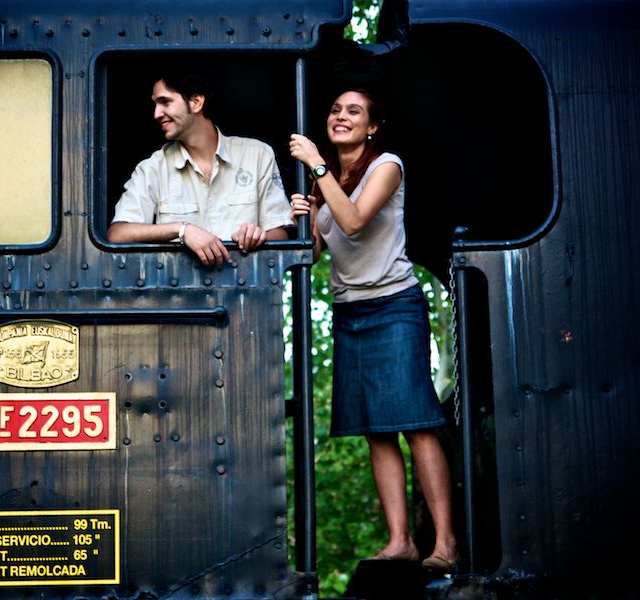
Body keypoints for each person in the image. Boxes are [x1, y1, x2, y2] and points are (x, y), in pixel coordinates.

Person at [289, 89, 460, 573]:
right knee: (376, 433)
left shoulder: (387, 164)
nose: (340, 117)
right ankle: (400, 541)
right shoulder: (326, 181)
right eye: (335, 109)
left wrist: (317, 167)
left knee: (417, 424)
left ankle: (445, 544)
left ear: (372, 127)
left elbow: (357, 222)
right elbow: (321, 252)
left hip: (394, 306)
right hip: (348, 313)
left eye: (354, 112)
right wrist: (305, 221)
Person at [107, 70, 292, 267]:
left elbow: (281, 233)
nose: (156, 114)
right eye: (155, 104)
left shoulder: (257, 154)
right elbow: (117, 234)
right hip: (178, 296)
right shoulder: (152, 168)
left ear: (196, 102)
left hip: (248, 293)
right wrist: (182, 230)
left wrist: (258, 236)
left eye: (165, 102)